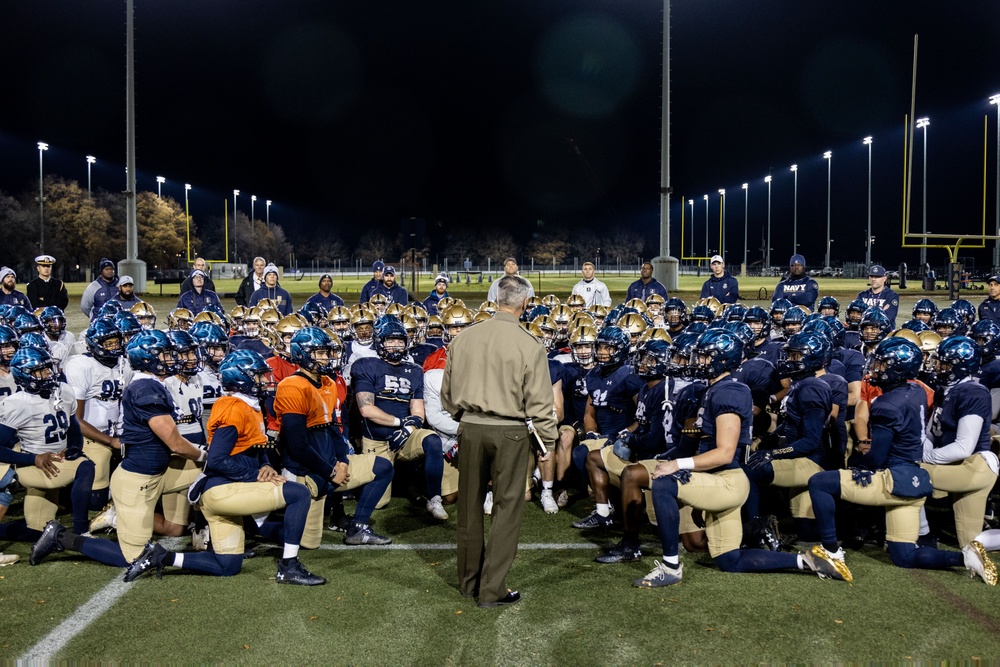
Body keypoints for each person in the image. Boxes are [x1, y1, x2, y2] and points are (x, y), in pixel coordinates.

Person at [123, 350, 325, 585]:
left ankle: (162, 556)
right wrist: (255, 475)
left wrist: (266, 465)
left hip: (225, 491)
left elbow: (254, 448)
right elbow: (217, 459)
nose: (264, 381)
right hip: (220, 491)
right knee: (298, 493)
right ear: (242, 378)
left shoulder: (248, 405)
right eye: (258, 376)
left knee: (227, 566)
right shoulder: (233, 407)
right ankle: (289, 567)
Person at [806, 337, 996, 584]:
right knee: (903, 556)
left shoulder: (887, 404)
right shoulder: (916, 390)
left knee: (820, 482)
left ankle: (831, 552)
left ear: (898, 369)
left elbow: (877, 457)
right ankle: (963, 559)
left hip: (895, 478)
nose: (876, 368)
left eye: (883, 364)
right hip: (915, 483)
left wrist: (856, 466)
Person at [29, 329, 207, 571]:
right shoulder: (146, 389)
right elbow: (174, 443)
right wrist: (203, 454)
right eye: (164, 354)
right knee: (133, 558)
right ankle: (61, 536)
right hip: (138, 480)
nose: (171, 358)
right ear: (148, 359)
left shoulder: (152, 384)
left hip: (159, 473)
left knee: (210, 477)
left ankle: (204, 531)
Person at [441, 275, 558, 608]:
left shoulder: (463, 338)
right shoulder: (529, 343)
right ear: (524, 304)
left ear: (494, 299)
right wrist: (546, 442)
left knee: (468, 507)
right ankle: (492, 590)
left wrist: (464, 419)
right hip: (510, 432)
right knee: (506, 511)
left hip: (469, 428)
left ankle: (468, 583)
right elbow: (539, 403)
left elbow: (448, 396)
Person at [275, 327, 395, 547]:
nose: (327, 358)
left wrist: (342, 460)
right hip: (306, 473)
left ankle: (358, 527)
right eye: (320, 353)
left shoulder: (328, 383)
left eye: (327, 352)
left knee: (383, 467)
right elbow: (298, 444)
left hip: (331, 465)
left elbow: (333, 428)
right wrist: (331, 471)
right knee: (306, 543)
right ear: (302, 354)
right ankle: (258, 525)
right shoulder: (292, 386)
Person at [353, 317, 447, 519]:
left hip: (405, 437)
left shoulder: (414, 371)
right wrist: (400, 423)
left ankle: (434, 499)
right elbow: (367, 409)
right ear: (380, 342)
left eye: (400, 341)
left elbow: (418, 411)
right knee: (379, 503)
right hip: (377, 441)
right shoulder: (366, 365)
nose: (396, 345)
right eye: (390, 341)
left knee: (432, 440)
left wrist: (408, 429)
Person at [64, 318, 131, 512]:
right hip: (89, 437)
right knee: (96, 503)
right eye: (107, 344)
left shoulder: (123, 365)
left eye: (116, 343)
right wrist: (110, 441)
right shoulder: (81, 365)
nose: (113, 348)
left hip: (117, 434)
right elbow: (76, 420)